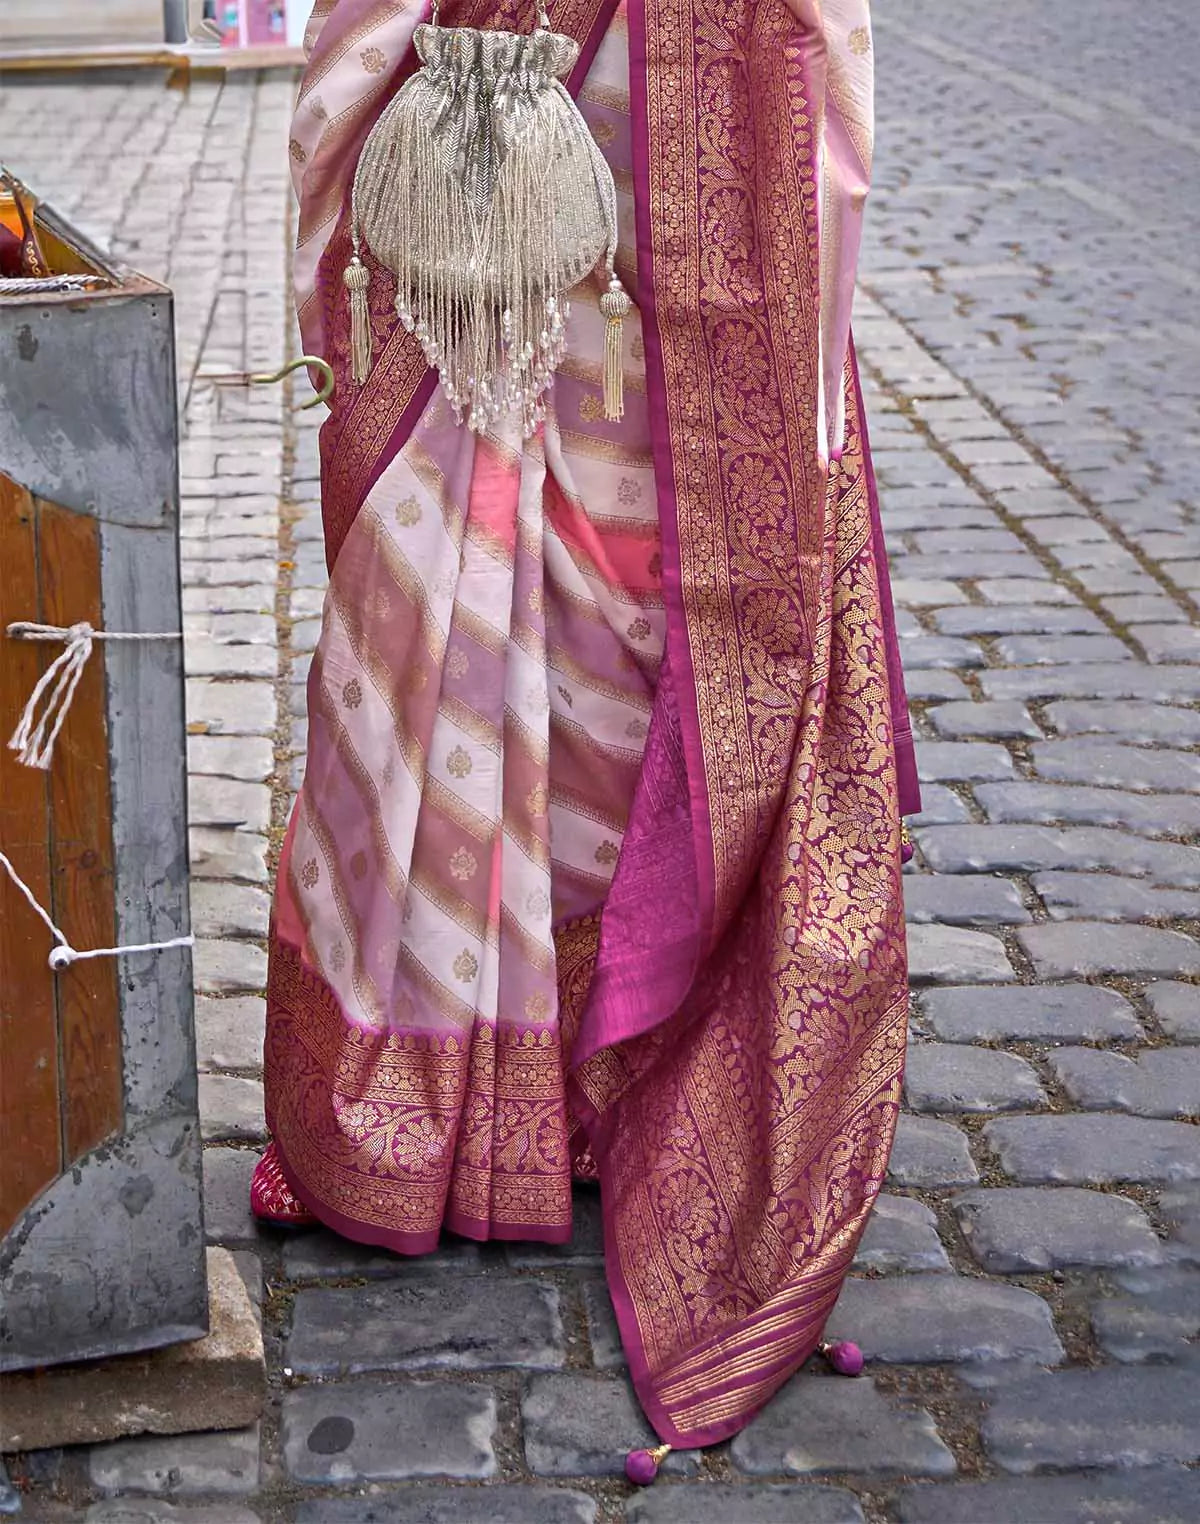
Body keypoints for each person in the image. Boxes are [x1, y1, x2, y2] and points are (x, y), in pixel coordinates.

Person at [254, 0, 918, 1468]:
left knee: (531, 610)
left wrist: (330, 286)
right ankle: (585, 1090)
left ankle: (459, 1096)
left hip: (512, 157)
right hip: (604, 162)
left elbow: (353, 61)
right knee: (604, 614)